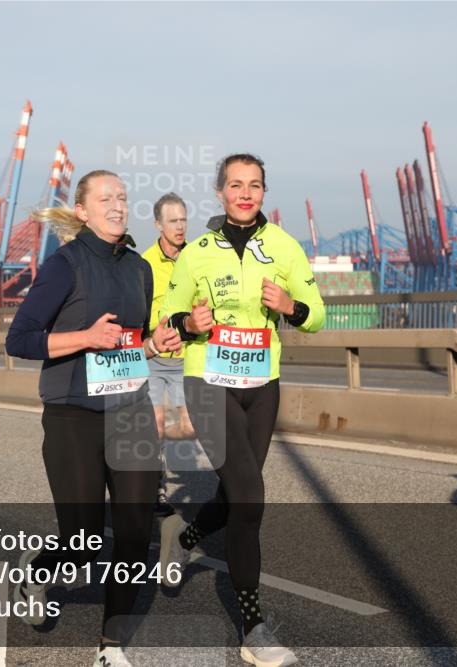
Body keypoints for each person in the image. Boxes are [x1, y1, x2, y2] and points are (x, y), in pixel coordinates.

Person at [6, 170, 181, 667]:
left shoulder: (139, 269)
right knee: (82, 544)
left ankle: (110, 646)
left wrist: (153, 345)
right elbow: (19, 339)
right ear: (82, 211)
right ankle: (36, 573)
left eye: (122, 197)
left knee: (134, 532)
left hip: (130, 410)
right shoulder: (64, 265)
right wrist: (85, 338)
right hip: (74, 416)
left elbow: (129, 343)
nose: (118, 205)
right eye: (106, 199)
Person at [158, 154, 325, 667]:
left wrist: (289, 307)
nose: (245, 193)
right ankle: (253, 629)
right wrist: (189, 323)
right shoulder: (197, 253)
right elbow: (166, 319)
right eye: (235, 185)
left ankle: (183, 535)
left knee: (237, 492)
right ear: (221, 192)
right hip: (208, 381)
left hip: (261, 385)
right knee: (251, 498)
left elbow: (318, 315)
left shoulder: (284, 247)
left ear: (264, 192)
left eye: (254, 185)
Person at [142, 192, 196, 517]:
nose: (179, 226)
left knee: (193, 428)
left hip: (190, 359)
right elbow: (137, 311)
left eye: (183, 220)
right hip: (154, 359)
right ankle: (156, 490)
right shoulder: (144, 263)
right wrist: (157, 333)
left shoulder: (197, 259)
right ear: (158, 224)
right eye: (173, 220)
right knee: (157, 428)